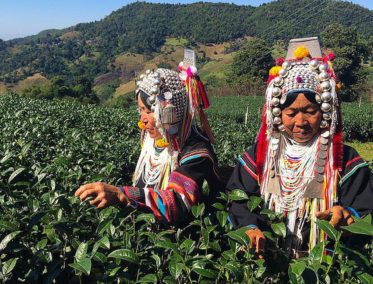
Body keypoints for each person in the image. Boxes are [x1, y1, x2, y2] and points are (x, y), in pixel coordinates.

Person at [226, 38, 373, 258]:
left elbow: (365, 207)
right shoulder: (260, 156)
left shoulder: (345, 160)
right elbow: (238, 198)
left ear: (325, 111)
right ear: (277, 114)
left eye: (310, 111)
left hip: (323, 268)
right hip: (267, 264)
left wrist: (347, 214)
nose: (301, 121)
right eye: (291, 113)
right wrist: (250, 227)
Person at [75, 63, 221, 225]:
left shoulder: (196, 154)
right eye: (140, 110)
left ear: (170, 113)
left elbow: (177, 201)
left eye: (148, 111)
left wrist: (120, 194)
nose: (142, 119)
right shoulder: (153, 140)